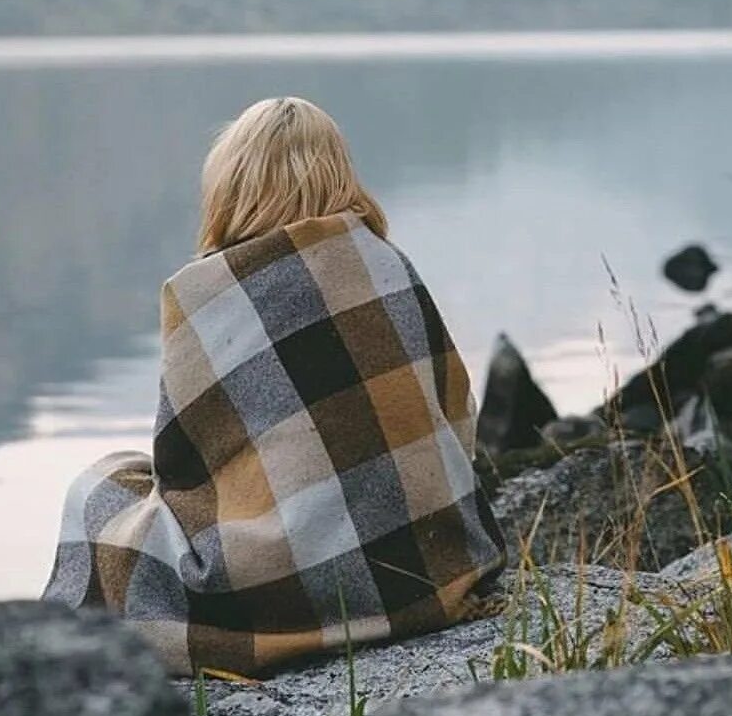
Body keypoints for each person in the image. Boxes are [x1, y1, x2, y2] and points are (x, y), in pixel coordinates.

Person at [44, 97, 506, 676]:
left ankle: (49, 663)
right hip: (430, 568)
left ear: (231, 183)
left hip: (285, 593)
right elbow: (457, 412)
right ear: (338, 171)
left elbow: (183, 470)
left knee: (101, 487)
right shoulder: (387, 264)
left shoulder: (209, 293)